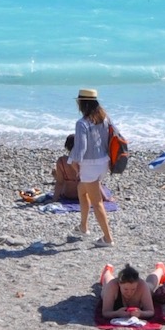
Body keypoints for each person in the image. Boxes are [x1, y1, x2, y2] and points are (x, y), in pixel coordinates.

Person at [70, 90, 116, 247]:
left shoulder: (82, 123)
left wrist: (74, 163)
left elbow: (81, 148)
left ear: (82, 104)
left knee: (97, 203)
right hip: (104, 163)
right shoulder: (104, 119)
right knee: (82, 190)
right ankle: (83, 227)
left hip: (90, 166)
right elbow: (113, 137)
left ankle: (108, 238)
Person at [51, 135, 81, 203]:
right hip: (83, 194)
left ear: (66, 146)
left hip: (68, 194)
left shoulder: (61, 161)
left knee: (60, 177)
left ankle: (56, 175)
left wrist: (54, 199)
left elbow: (59, 183)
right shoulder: (85, 161)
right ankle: (56, 175)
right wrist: (106, 198)